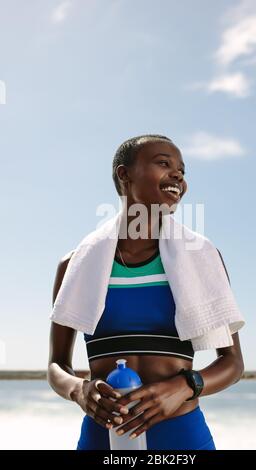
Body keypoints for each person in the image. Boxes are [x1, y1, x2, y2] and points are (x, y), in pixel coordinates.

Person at [47, 134, 245, 450]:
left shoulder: (204, 257)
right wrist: (80, 391)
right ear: (124, 175)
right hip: (103, 435)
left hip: (182, 434)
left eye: (182, 169)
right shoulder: (75, 264)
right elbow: (57, 365)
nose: (178, 175)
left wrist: (185, 386)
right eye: (163, 163)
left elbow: (233, 364)